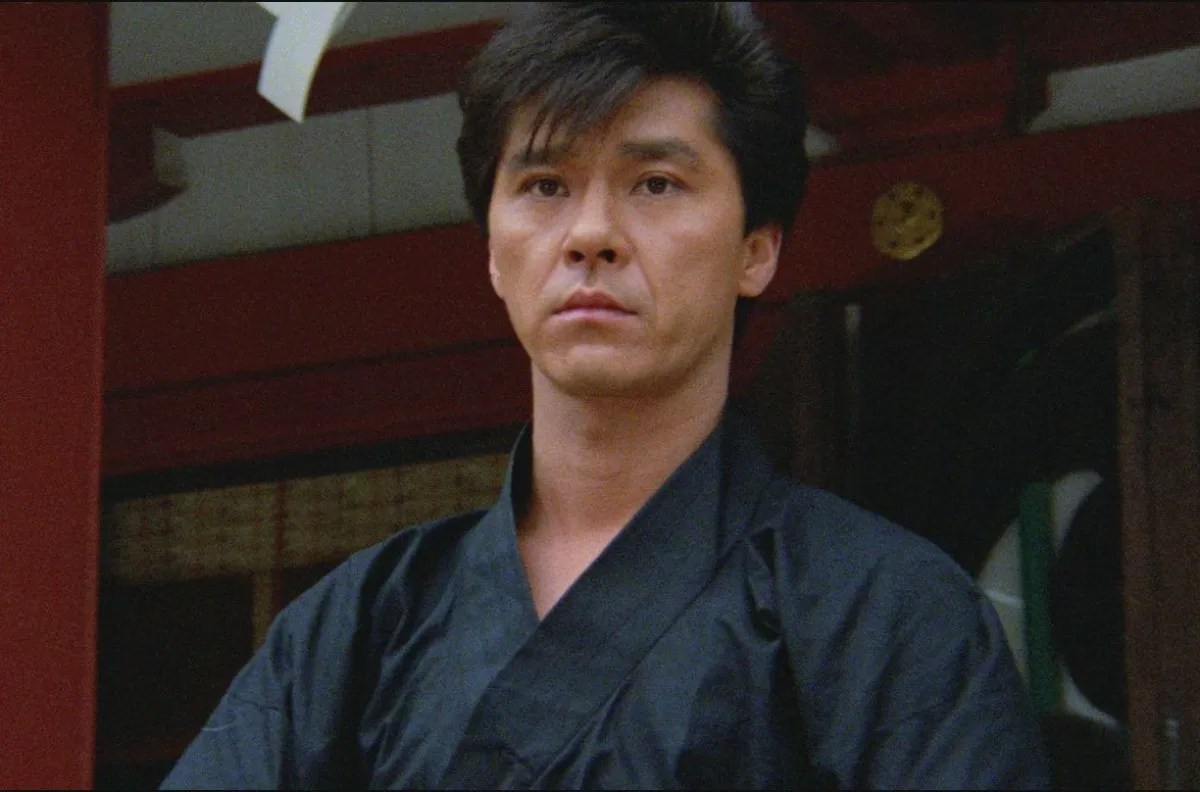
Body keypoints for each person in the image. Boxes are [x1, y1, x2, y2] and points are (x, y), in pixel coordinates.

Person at [161, 3, 1050, 788]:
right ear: (492, 254)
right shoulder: (357, 628)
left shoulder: (884, 614)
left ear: (757, 249)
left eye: (655, 183)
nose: (590, 234)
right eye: (545, 186)